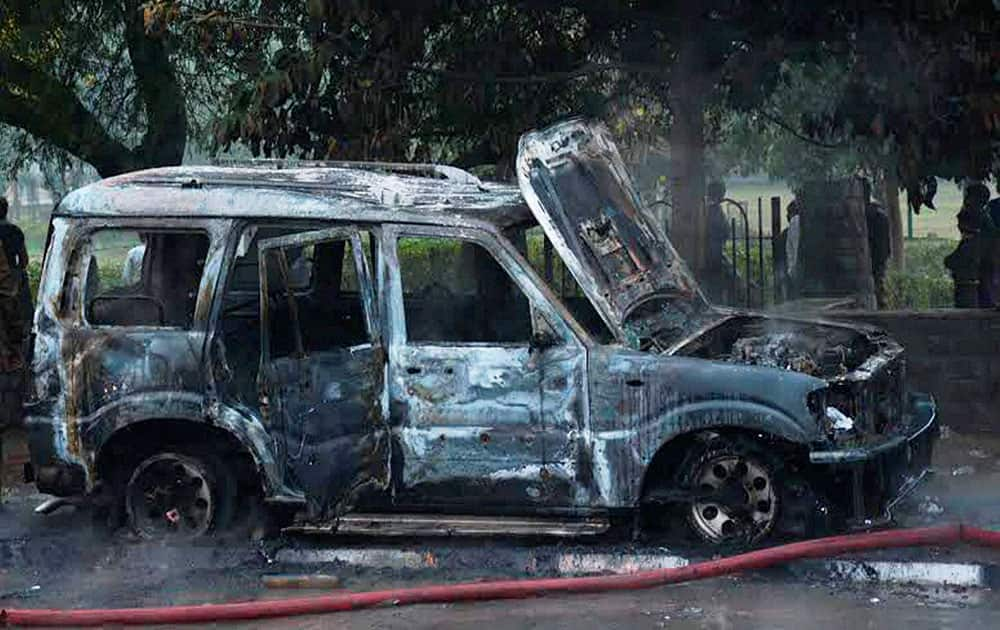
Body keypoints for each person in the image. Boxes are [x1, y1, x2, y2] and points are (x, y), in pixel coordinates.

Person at [863, 180, 891, 308]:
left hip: (870, 259)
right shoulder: (880, 214)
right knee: (878, 289)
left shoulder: (863, 214)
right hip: (879, 259)